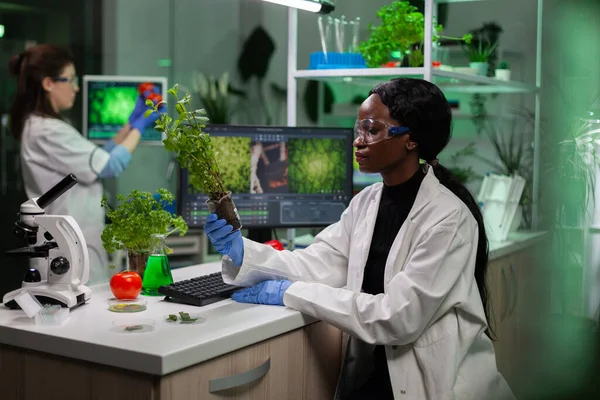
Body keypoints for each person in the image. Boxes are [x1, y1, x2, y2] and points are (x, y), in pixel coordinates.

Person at [204, 77, 515, 399]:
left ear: (411, 140)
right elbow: (319, 263)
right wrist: (244, 254)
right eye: (358, 129)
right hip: (368, 375)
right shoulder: (367, 201)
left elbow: (398, 318)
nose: (358, 141)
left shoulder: (447, 218)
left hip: (429, 382)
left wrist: (290, 293)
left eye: (372, 130)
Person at [8, 44, 165, 285]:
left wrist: (130, 125)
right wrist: (140, 127)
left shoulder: (43, 126)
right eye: (70, 80)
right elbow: (110, 166)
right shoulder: (48, 130)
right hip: (65, 249)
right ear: (49, 83)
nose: (76, 88)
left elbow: (95, 158)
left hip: (69, 243)